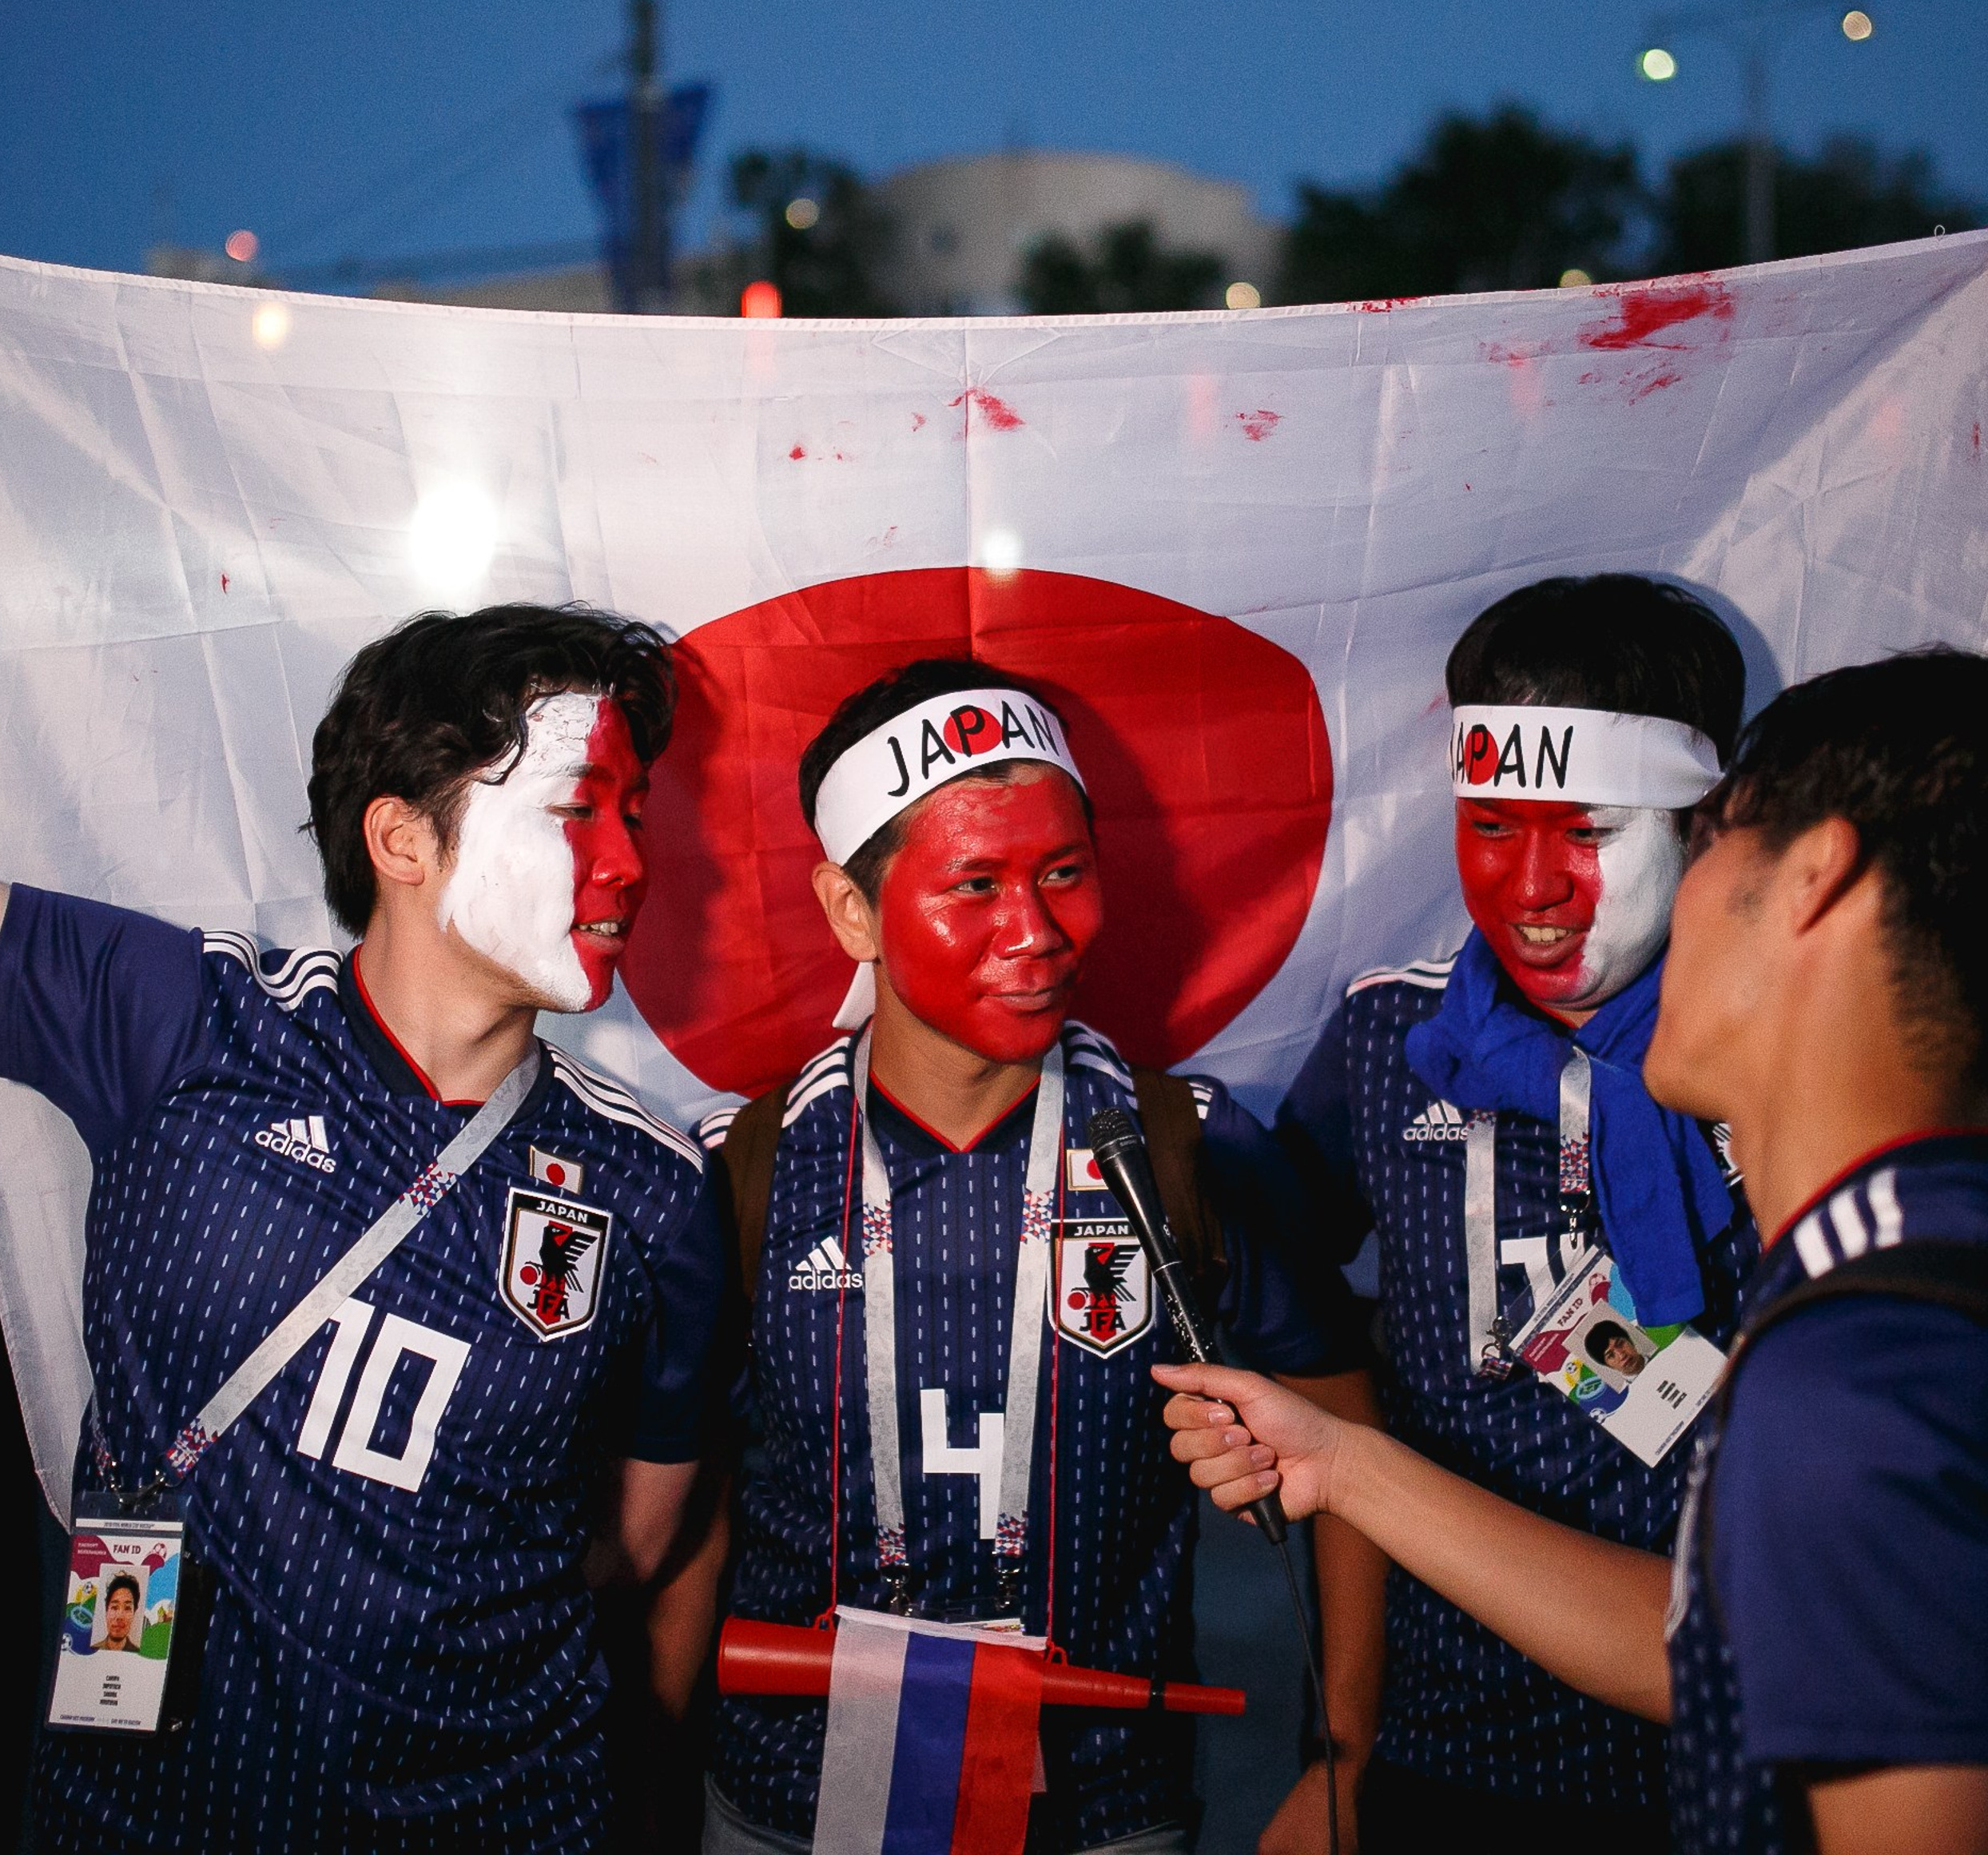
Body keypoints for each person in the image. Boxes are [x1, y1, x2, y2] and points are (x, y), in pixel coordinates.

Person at [1159, 649, 1988, 1855]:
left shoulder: (1866, 1372)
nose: (1550, 893)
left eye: (1713, 841)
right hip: (1445, 1759)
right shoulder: (1893, 1280)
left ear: (1814, 877)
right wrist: (1342, 1467)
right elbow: (1706, 1647)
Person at [0, 603, 725, 1853]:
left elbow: (636, 1546)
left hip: (501, 1818)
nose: (630, 861)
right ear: (402, 838)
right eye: (579, 812)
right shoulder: (188, 1027)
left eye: (634, 815)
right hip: (145, 1810)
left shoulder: (654, 1187)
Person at [695, 659, 1382, 1855]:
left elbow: (1359, 1464)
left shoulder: (1189, 1149)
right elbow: (679, 1511)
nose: (1038, 930)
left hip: (1109, 1805)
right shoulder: (743, 1169)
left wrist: (1345, 1752)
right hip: (787, 1802)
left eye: (1064, 872)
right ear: (851, 911)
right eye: (975, 884)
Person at [1271, 574, 1758, 1852]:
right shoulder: (1389, 1041)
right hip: (1449, 1758)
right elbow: (1292, 1318)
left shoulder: (1790, 1057)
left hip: (1736, 1754)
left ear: (1708, 824)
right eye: (1489, 823)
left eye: (1589, 833)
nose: (1531, 886)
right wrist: (1341, 1743)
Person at [93, 1574, 142, 1654]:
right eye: (115, 1607)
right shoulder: (92, 1651)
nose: (119, 1616)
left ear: (134, 1613)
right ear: (106, 1611)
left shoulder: (140, 1655)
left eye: (127, 1608)